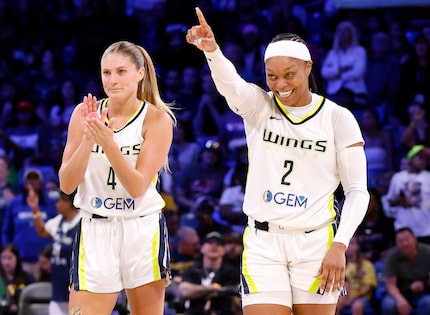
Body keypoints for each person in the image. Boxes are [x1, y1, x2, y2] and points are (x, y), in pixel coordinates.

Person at [186, 7, 370, 315]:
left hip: (316, 244)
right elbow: (232, 85)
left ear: (308, 67)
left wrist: (340, 245)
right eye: (272, 76)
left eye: (289, 75)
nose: (280, 84)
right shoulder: (259, 105)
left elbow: (357, 191)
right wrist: (213, 52)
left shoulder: (338, 118)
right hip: (263, 243)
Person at [58, 40, 176, 315]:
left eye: (121, 71)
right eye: (106, 72)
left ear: (140, 73)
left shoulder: (157, 120)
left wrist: (109, 144)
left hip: (142, 229)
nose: (112, 80)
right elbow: (66, 184)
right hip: (96, 228)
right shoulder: (83, 114)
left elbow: (137, 187)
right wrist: (90, 137)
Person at [31, 190, 80, 315]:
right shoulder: (59, 221)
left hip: (76, 285)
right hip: (58, 287)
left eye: (59, 201)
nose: (56, 204)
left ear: (68, 202)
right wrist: (35, 212)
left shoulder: (82, 221)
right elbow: (42, 231)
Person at [2, 168, 57, 278]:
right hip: (20, 261)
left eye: (35, 179)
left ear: (40, 183)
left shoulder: (50, 204)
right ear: (24, 182)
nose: (31, 182)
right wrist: (9, 253)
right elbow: (6, 231)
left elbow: (57, 229)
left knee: (42, 293)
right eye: (29, 179)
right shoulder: (14, 203)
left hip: (45, 262)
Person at [178, 231, 240, 315]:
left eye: (218, 244)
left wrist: (198, 292)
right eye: (210, 243)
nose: (214, 246)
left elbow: (236, 292)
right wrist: (212, 288)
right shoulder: (193, 269)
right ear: (202, 248)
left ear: (224, 250)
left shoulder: (231, 272)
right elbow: (184, 290)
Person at [381, 145, 430, 244]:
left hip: (425, 229)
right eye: (420, 157)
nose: (423, 161)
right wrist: (400, 201)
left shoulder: (428, 177)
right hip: (403, 228)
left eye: (426, 158)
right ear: (411, 158)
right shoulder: (398, 177)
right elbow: (390, 201)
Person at [380, 227, 430, 315]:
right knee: (388, 305)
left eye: (407, 239)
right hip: (400, 291)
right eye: (400, 241)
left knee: (427, 302)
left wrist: (423, 284)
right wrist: (400, 300)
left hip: (422, 291)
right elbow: (390, 285)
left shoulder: (427, 252)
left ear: (415, 239)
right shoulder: (391, 256)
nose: (404, 243)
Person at [335, 236, 377, 315]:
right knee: (334, 304)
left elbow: (367, 288)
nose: (348, 245)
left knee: (357, 306)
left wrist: (352, 298)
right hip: (343, 296)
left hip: (361, 298)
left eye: (352, 243)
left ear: (358, 246)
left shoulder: (367, 265)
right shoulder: (339, 264)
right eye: (347, 242)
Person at [0, 243, 36, 315]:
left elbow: (33, 301)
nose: (6, 262)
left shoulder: (27, 278)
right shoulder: (0, 278)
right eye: (3, 258)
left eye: (10, 258)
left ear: (17, 259)